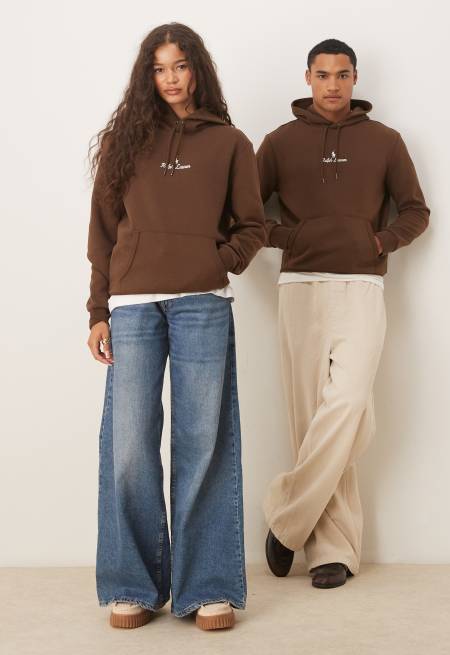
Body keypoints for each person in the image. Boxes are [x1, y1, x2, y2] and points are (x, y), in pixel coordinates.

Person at [85, 22, 265, 630]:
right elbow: (101, 233)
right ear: (147, 75)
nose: (170, 78)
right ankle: (133, 584)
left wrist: (217, 261)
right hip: (133, 304)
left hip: (203, 302)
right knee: (130, 444)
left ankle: (207, 585)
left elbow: (252, 226)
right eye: (159, 68)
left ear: (197, 70)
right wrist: (98, 310)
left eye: (180, 66)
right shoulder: (124, 142)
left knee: (203, 442)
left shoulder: (230, 143)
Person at [256, 39, 429, 589]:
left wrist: (379, 242)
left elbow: (416, 211)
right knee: (311, 418)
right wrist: (290, 238)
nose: (333, 84)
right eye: (323, 74)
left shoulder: (385, 141)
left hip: (362, 284)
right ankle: (331, 552)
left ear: (355, 79)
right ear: (308, 77)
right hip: (300, 285)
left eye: (343, 74)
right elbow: (244, 214)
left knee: (351, 406)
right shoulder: (279, 143)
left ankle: (287, 520)